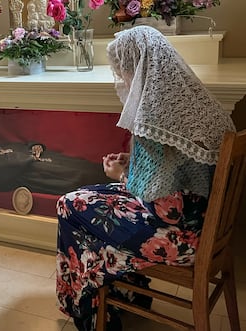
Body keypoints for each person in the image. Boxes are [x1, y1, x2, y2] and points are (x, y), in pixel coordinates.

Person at [55, 26, 235, 331]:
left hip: (179, 238)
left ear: (138, 69)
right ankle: (128, 298)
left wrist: (122, 173)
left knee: (68, 206)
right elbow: (175, 172)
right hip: (206, 224)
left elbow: (163, 205)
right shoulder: (195, 106)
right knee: (83, 199)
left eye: (123, 70)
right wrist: (133, 162)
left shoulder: (154, 117)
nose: (123, 79)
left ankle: (93, 314)